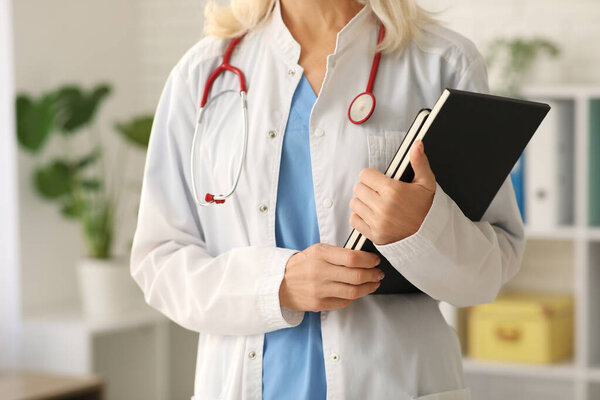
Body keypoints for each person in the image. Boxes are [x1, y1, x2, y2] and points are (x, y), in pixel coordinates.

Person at [130, 0, 525, 398]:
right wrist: (276, 285)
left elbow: (491, 271)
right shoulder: (202, 74)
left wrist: (423, 227)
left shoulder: (442, 62)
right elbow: (159, 261)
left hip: (396, 381)